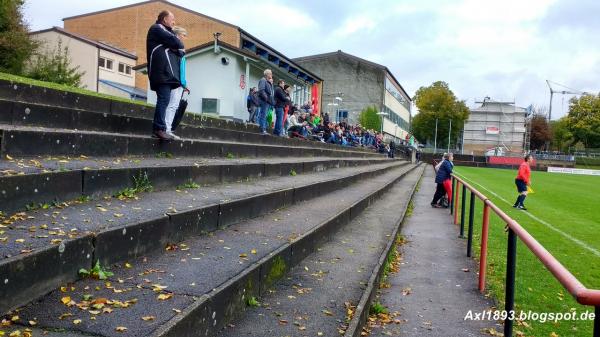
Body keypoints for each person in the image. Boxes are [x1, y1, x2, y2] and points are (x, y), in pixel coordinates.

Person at [146, 10, 185, 140]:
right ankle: (159, 129)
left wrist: (175, 45)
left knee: (165, 99)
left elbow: (180, 50)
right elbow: (177, 43)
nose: (174, 22)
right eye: (172, 19)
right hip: (160, 72)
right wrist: (174, 44)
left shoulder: (167, 32)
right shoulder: (156, 28)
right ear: (164, 19)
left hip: (167, 74)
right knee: (163, 100)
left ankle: (160, 129)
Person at [164, 26, 188, 140]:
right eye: (183, 35)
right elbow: (176, 67)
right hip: (175, 81)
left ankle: (169, 129)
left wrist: (184, 83)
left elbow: (182, 68)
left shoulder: (180, 49)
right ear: (178, 35)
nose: (184, 38)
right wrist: (181, 81)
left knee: (175, 105)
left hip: (180, 82)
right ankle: (166, 129)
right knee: (172, 105)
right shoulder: (175, 48)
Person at [256, 69, 274, 134]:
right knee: (263, 115)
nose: (272, 75)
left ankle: (264, 129)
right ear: (267, 74)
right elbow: (261, 90)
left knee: (264, 115)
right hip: (264, 101)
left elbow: (271, 92)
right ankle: (262, 130)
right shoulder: (263, 80)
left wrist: (271, 84)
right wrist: (266, 98)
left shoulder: (267, 82)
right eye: (271, 73)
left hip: (267, 102)